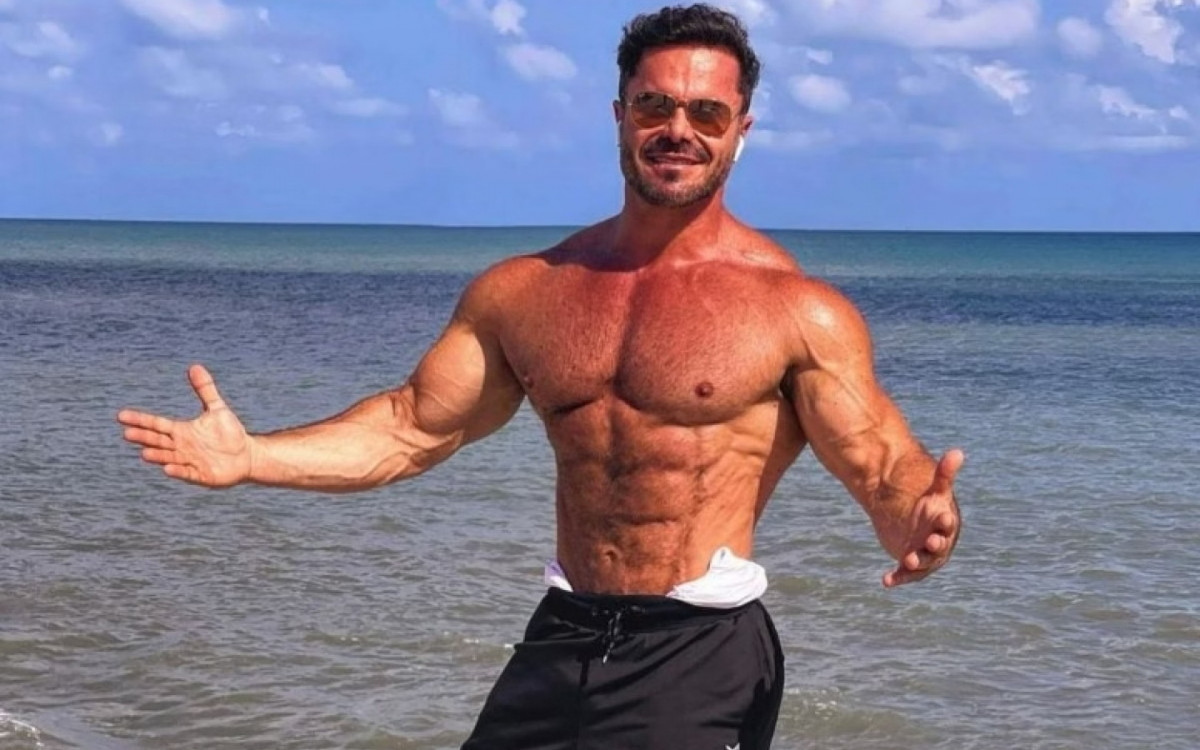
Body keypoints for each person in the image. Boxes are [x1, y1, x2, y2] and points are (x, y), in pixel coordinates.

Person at [117, 4, 962, 748]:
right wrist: (254, 457)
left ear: (741, 128)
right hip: (564, 633)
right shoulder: (528, 292)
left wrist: (915, 518)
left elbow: (879, 461)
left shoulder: (794, 310)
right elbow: (413, 427)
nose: (679, 129)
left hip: (697, 646)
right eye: (655, 105)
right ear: (619, 114)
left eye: (707, 111)